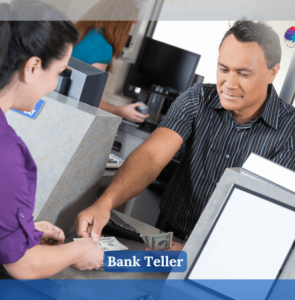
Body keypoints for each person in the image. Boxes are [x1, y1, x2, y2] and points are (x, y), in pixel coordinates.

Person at [75, 19, 295, 250]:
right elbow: (152, 156)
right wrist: (105, 203)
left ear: (272, 73)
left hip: (227, 254)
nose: (229, 84)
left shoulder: (290, 130)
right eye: (223, 69)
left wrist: (198, 252)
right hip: (167, 238)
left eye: (243, 73)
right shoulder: (197, 98)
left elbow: (267, 214)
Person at [0, 1, 103, 280]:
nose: (55, 85)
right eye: (58, 73)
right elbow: (26, 265)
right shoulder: (5, 151)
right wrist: (81, 250)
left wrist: (21, 232)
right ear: (32, 67)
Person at [72, 0, 149, 123]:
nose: (129, 31)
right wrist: (121, 111)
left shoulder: (80, 33)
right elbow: (90, 99)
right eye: (131, 26)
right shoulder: (102, 47)